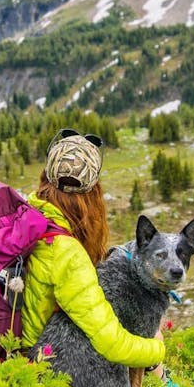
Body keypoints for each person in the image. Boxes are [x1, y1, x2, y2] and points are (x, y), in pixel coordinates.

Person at [20, 128, 165, 368]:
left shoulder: (29, 216)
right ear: (93, 193)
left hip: (9, 346)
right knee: (150, 337)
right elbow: (112, 343)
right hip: (39, 360)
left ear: (45, 178)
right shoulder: (66, 252)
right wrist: (157, 350)